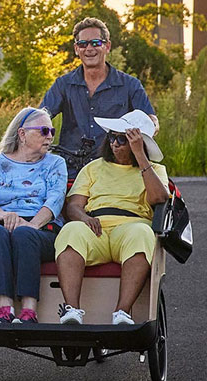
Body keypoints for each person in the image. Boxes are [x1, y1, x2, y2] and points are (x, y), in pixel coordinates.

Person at [54, 110, 169, 326]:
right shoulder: (93, 168)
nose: (115, 143)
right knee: (70, 231)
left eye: (122, 139)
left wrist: (141, 158)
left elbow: (159, 198)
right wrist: (83, 217)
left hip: (131, 227)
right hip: (95, 228)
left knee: (142, 233)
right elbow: (74, 206)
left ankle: (122, 312)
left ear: (139, 144)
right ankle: (72, 310)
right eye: (112, 137)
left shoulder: (154, 170)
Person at [0, 107, 68, 324]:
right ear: (22, 134)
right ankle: (4, 309)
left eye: (52, 130)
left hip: (42, 228)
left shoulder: (55, 163)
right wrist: (2, 214)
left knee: (23, 235)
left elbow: (55, 200)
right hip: (4, 223)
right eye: (43, 130)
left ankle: (29, 311)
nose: (49, 136)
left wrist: (31, 226)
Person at [40, 17, 159, 188]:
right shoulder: (63, 84)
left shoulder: (130, 85)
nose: (89, 48)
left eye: (96, 43)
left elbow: (151, 119)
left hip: (113, 167)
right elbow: (41, 116)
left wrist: (149, 127)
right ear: (76, 49)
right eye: (83, 44)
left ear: (107, 46)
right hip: (69, 170)